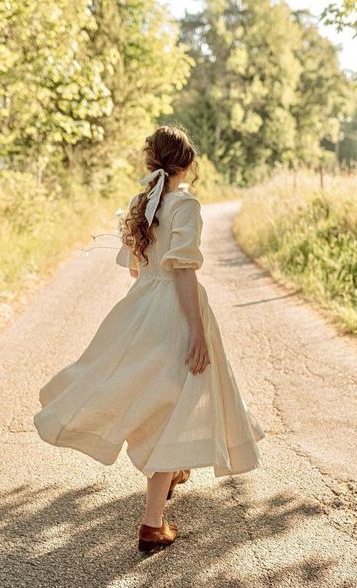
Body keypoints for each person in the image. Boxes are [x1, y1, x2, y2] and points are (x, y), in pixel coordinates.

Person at [33, 125, 266, 553]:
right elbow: (183, 270)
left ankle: (172, 473)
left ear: (150, 162)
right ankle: (153, 524)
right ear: (190, 165)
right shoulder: (186, 204)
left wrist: (148, 303)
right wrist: (196, 331)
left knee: (157, 395)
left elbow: (136, 269)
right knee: (173, 406)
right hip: (176, 312)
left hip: (143, 306)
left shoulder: (143, 204)